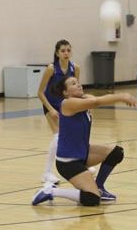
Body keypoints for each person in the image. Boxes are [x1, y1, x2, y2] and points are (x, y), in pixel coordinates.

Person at [32, 76, 137, 206]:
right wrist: (122, 96)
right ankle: (52, 191)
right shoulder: (68, 103)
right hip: (68, 163)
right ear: (65, 92)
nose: (79, 85)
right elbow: (97, 102)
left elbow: (96, 100)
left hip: (82, 153)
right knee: (92, 199)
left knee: (116, 152)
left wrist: (112, 97)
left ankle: (98, 187)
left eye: (78, 82)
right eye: (73, 84)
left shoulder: (84, 99)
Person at [37, 39, 96, 184]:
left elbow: (77, 90)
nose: (66, 53)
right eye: (63, 51)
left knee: (77, 133)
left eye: (68, 50)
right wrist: (50, 109)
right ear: (57, 53)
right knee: (58, 138)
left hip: (67, 105)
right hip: (52, 106)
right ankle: (46, 173)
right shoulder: (51, 69)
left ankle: (80, 165)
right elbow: (39, 92)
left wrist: (84, 106)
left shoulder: (75, 68)